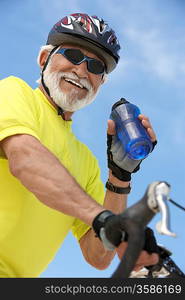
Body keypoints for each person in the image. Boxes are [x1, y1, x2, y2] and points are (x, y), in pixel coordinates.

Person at [0, 13, 158, 278]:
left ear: (100, 84)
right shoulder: (14, 92)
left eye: (96, 67)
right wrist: (101, 216)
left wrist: (119, 177)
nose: (82, 70)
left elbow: (98, 255)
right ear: (44, 59)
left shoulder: (85, 162)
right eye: (73, 55)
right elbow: (25, 158)